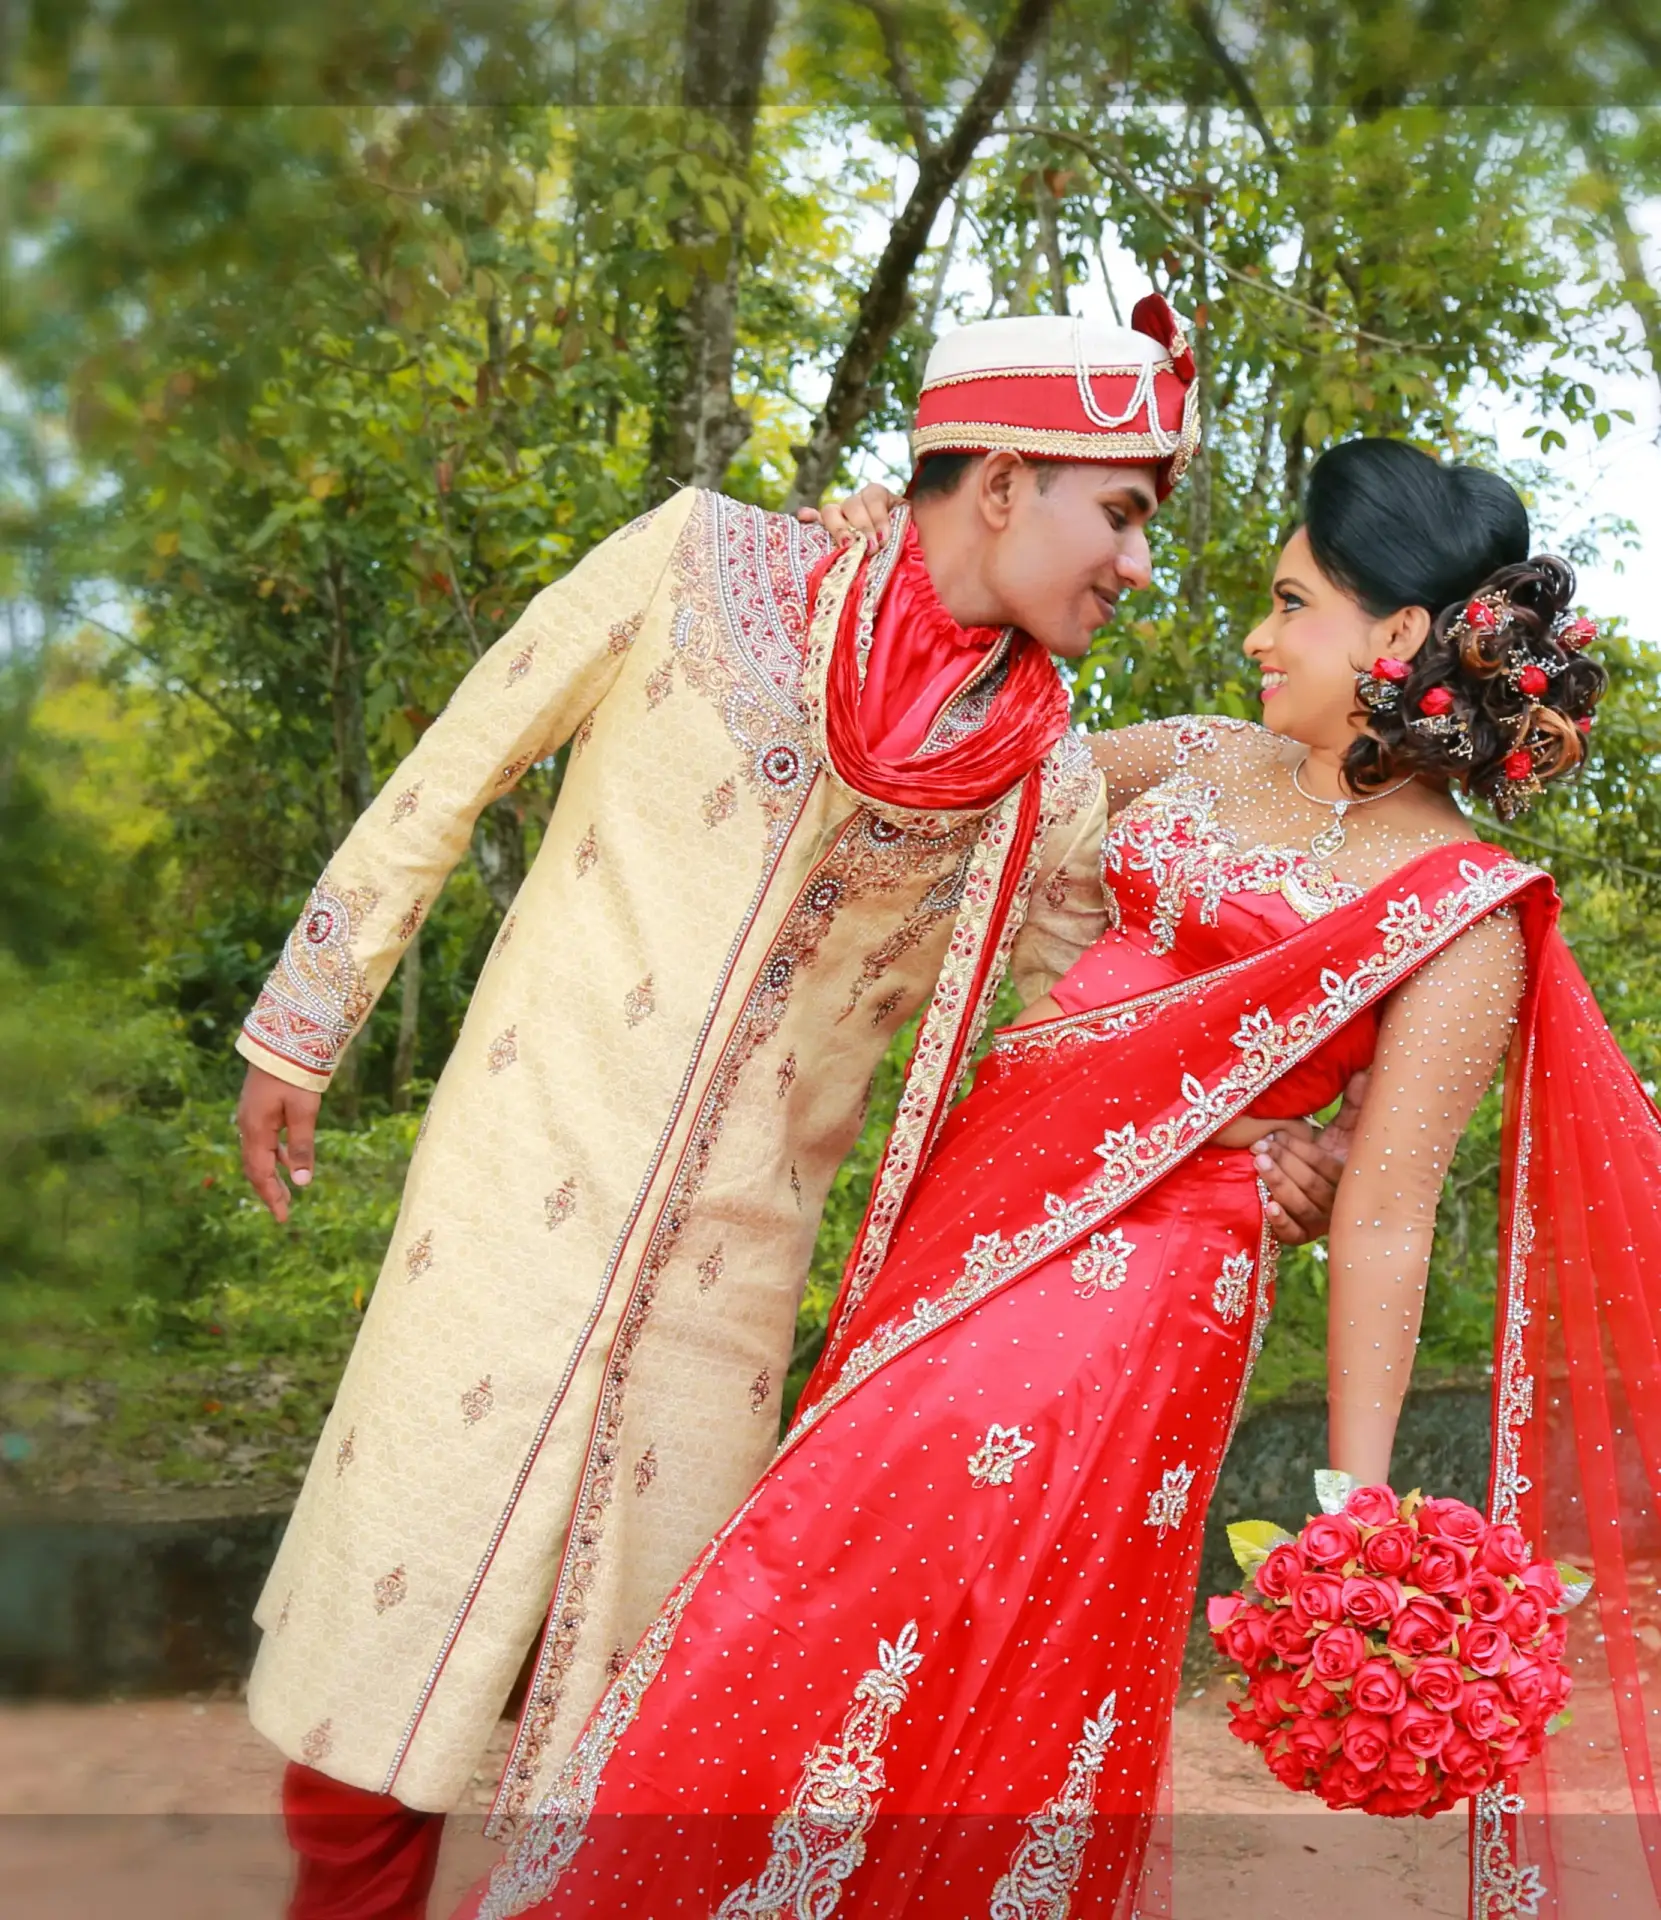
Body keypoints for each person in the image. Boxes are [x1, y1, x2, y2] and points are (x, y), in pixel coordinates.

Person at [232, 297, 1345, 1919]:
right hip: (517, 1181)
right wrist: (305, 1018)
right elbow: (466, 755)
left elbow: (1078, 1024)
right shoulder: (703, 568)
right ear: (1002, 479)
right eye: (1121, 511)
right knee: (382, 1639)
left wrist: (1258, 1135)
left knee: (650, 1723)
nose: (1137, 563)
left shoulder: (1043, 778)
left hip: (729, 1285)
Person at [456, 438, 1661, 1920]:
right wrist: (883, 573)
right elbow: (957, 765)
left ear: (1396, 638)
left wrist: (1352, 1509)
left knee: (937, 1608)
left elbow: (1389, 1215)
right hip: (978, 1213)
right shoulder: (1207, 756)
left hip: (1146, 1295)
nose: (1257, 635)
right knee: (829, 1567)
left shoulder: (1463, 917)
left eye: (1292, 604)